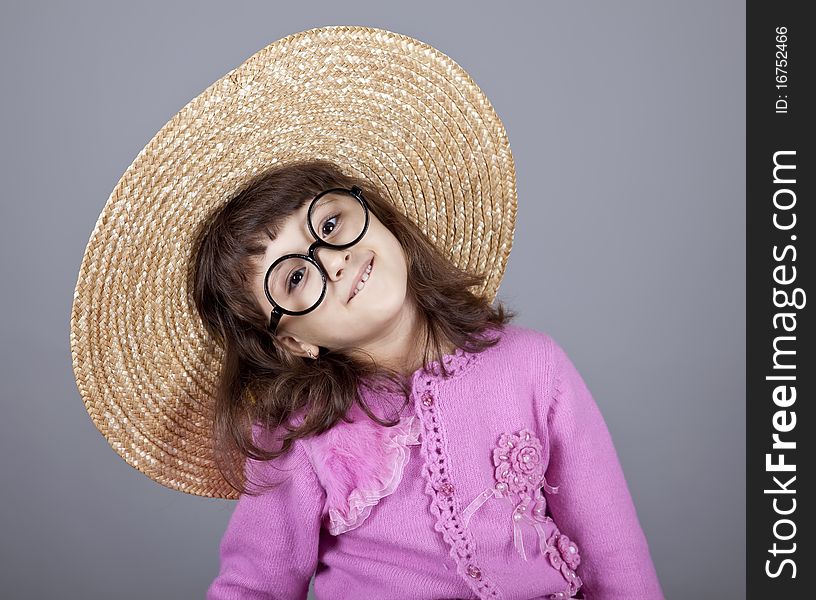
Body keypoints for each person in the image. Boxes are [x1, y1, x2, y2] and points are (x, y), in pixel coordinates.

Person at [70, 27, 664, 600]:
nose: (332, 261)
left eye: (329, 225)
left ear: (382, 220)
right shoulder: (295, 436)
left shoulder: (534, 366)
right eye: (295, 277)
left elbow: (616, 554)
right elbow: (253, 587)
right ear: (292, 342)